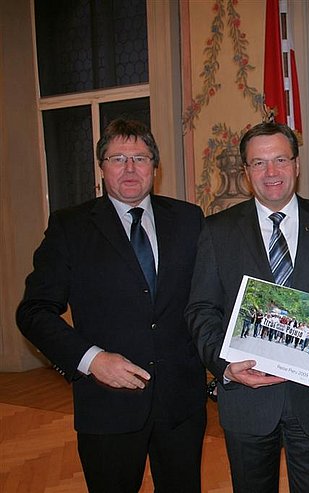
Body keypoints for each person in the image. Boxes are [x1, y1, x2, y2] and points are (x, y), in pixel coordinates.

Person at [16, 119, 207, 493]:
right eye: (118, 158)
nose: (130, 168)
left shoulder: (189, 219)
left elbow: (216, 295)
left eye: (140, 157)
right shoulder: (69, 227)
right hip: (107, 405)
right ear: (101, 166)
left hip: (180, 405)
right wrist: (92, 360)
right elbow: (34, 311)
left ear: (156, 166)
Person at [185, 122, 309, 493]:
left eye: (280, 160)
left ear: (296, 165)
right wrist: (224, 367)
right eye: (259, 163)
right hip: (246, 398)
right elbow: (201, 310)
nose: (271, 173)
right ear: (246, 172)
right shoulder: (216, 231)